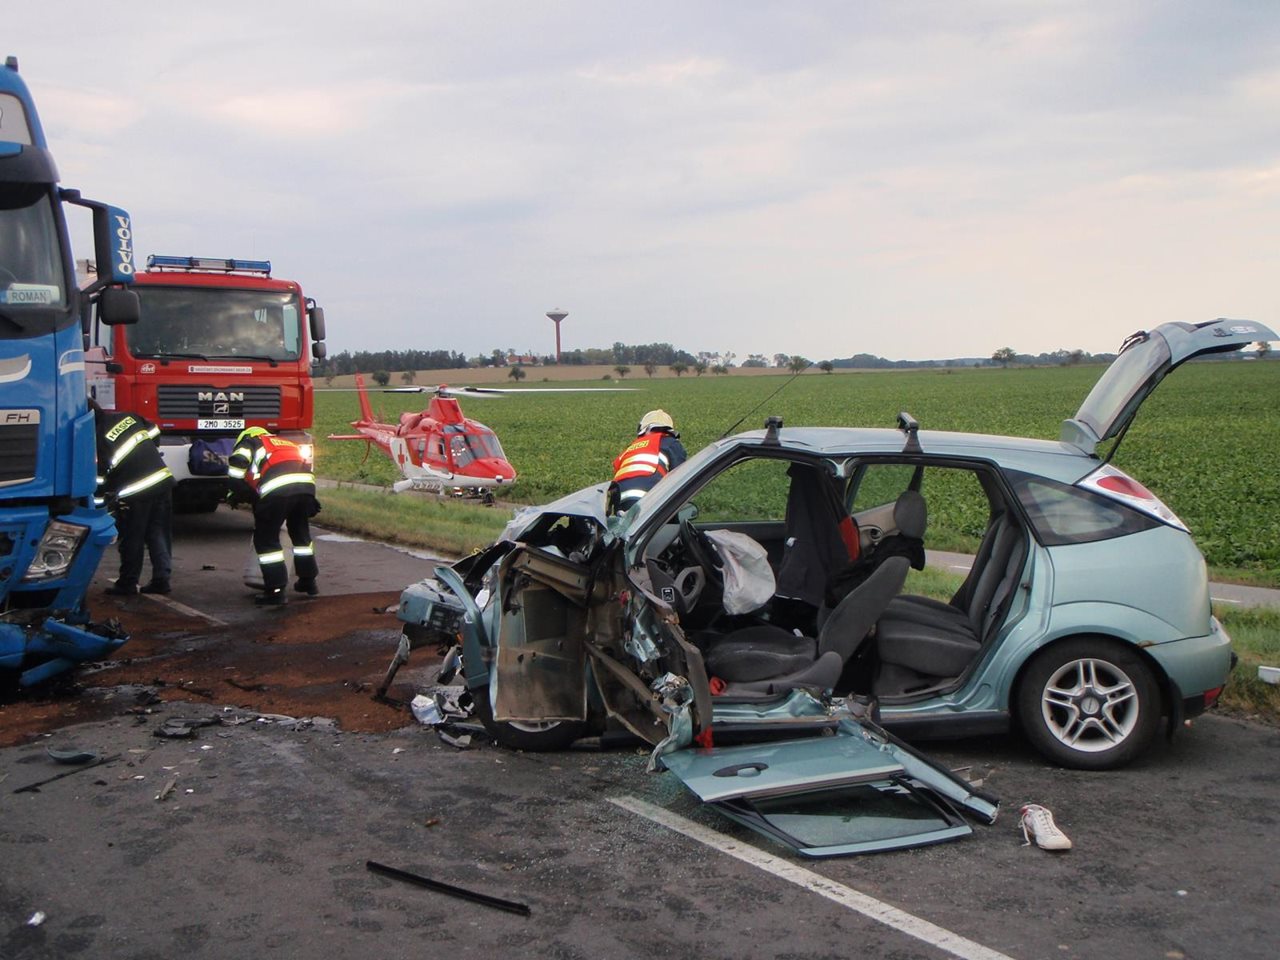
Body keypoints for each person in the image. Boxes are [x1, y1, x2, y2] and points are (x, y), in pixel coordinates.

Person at [227, 426, 320, 605]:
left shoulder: (250, 442)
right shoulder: (284, 443)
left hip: (278, 490)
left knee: (266, 539)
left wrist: (238, 492)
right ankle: (309, 582)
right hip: (306, 488)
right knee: (301, 535)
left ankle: (275, 590)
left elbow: (237, 467)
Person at [91, 399, 175, 596]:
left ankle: (127, 583)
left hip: (136, 492)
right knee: (158, 533)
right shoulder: (127, 417)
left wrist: (97, 508)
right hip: (162, 481)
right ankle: (161, 580)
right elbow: (154, 430)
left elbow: (100, 479)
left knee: (132, 538)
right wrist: (148, 451)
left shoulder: (98, 439)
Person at [609, 409, 687, 513]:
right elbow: (680, 479)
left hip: (620, 503)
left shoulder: (630, 449)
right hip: (647, 501)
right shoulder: (671, 443)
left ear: (643, 430)